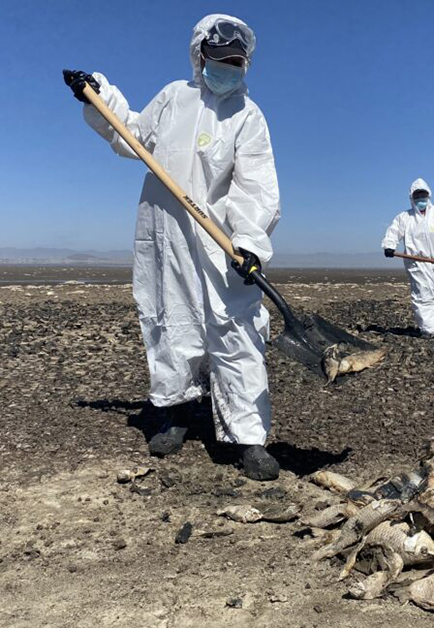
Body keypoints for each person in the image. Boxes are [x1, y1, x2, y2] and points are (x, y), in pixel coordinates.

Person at [63, 14, 282, 480]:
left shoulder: (248, 116)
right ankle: (176, 413)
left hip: (219, 243)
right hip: (164, 235)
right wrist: (99, 94)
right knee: (169, 322)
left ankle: (248, 439)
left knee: (236, 331)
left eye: (236, 63)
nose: (227, 68)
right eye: (219, 60)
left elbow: (256, 186)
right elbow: (134, 136)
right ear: (199, 56)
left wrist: (248, 242)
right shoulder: (173, 97)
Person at [381, 178, 434, 338]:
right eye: (417, 195)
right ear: (412, 198)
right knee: (423, 295)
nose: (420, 198)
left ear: (428, 195)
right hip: (417, 263)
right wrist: (389, 245)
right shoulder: (405, 217)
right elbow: (394, 231)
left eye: (423, 194)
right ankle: (428, 329)